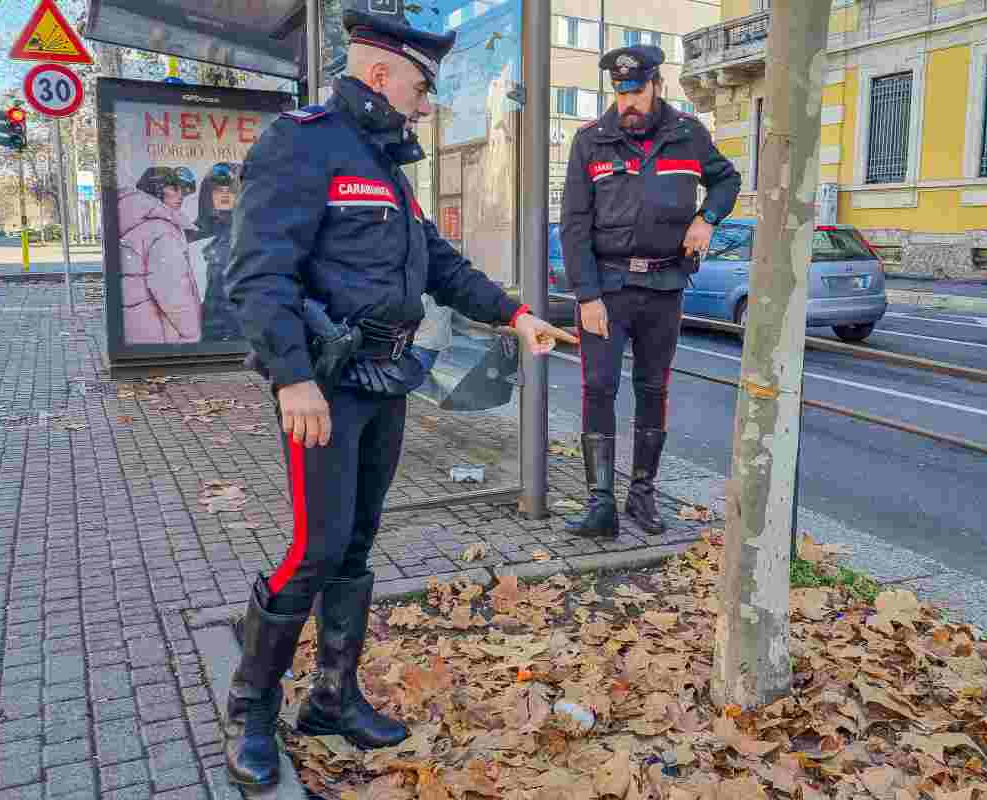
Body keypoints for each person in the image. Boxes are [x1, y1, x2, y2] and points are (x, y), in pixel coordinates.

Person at [222, 0, 577, 788]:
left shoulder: (385, 161)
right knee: (314, 549)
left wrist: (517, 314)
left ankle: (332, 697)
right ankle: (251, 702)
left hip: (385, 379)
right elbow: (256, 273)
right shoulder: (303, 143)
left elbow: (439, 264)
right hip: (325, 386)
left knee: (354, 545)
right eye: (423, 84)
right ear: (380, 73)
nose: (430, 99)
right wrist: (293, 379)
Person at [561, 44, 741, 539]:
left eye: (636, 91)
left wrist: (708, 218)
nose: (628, 104)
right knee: (598, 387)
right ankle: (601, 504)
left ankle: (642, 495)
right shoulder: (591, 141)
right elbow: (573, 225)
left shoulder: (688, 134)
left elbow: (726, 180)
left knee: (653, 388)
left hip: (664, 286)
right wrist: (586, 295)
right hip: (608, 288)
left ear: (657, 85)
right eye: (620, 93)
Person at [118, 167, 201, 343]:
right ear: (156, 189)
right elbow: (171, 291)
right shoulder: (162, 230)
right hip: (159, 332)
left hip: (138, 326)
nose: (181, 195)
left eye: (182, 190)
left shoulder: (134, 220)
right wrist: (192, 332)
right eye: (174, 188)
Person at [190, 163, 243, 340]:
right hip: (205, 328)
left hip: (238, 330)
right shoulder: (193, 234)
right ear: (208, 194)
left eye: (231, 189)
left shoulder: (248, 231)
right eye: (219, 190)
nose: (225, 194)